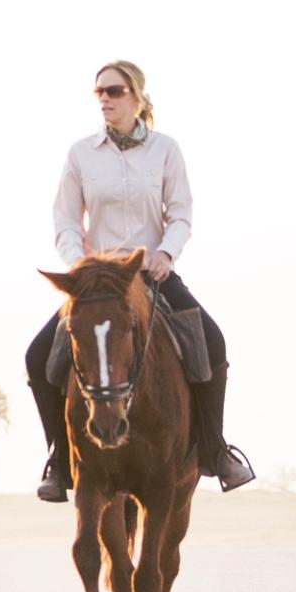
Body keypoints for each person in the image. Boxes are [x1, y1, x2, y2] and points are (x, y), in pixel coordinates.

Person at [29, 58, 252, 500]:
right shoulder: (80, 153)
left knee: (214, 343)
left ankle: (214, 449)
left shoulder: (166, 150)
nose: (105, 101)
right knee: (39, 357)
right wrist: (80, 265)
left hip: (151, 273)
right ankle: (59, 459)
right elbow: (65, 220)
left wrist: (167, 252)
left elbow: (181, 212)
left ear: (136, 97)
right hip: (97, 284)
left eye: (113, 92)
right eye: (99, 93)